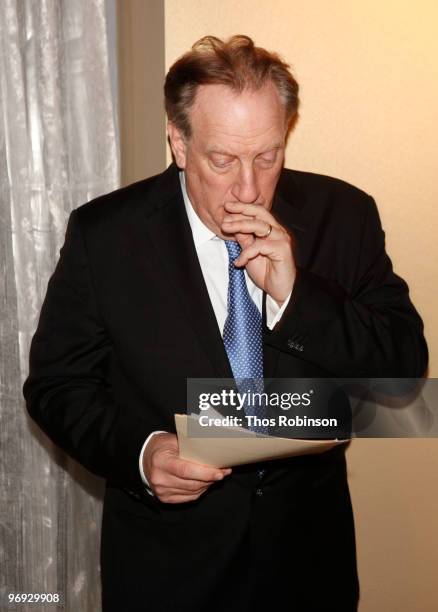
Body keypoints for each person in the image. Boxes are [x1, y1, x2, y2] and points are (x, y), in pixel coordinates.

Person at [23, 35, 428, 611]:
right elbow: (56, 387)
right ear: (179, 142)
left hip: (308, 565)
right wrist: (142, 453)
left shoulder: (345, 215)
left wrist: (296, 295)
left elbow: (404, 367)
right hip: (167, 570)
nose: (248, 187)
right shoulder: (105, 236)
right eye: (222, 160)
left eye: (267, 157)